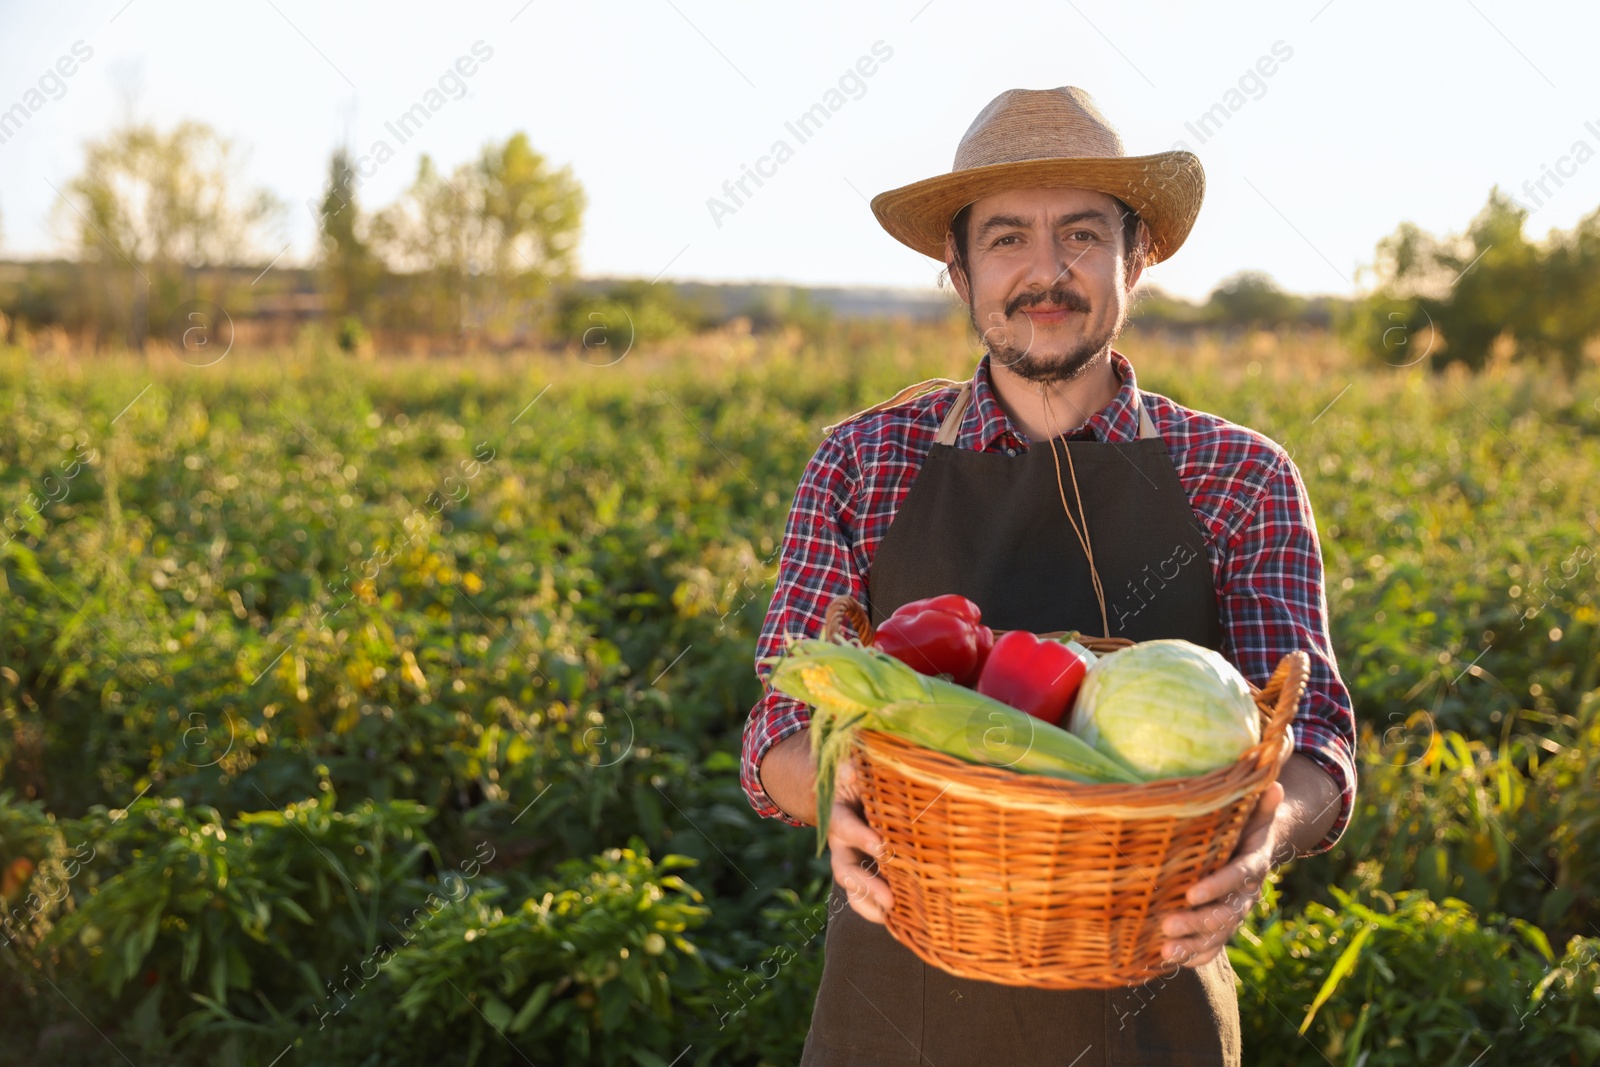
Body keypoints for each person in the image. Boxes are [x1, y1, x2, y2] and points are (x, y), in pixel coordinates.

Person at [739, 86, 1357, 1066]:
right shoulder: (863, 460)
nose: (1045, 271)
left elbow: (1315, 729)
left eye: (1079, 235)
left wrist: (1262, 835)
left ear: (1136, 256)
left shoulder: (1240, 475)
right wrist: (836, 789)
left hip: (1151, 1007)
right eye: (1005, 239)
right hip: (899, 1003)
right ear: (956, 266)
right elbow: (777, 714)